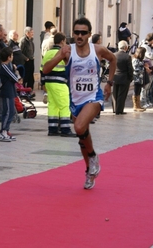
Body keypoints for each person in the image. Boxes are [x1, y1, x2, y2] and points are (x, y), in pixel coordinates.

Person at [43, 17, 117, 190]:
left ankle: (93, 157)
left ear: (89, 34)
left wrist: (109, 83)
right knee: (82, 136)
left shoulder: (98, 50)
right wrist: (60, 55)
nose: (80, 36)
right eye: (76, 32)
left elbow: (113, 59)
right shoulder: (67, 51)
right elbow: (46, 70)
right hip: (75, 100)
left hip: (94, 96)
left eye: (83, 33)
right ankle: (90, 170)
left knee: (79, 127)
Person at [42, 32, 76, 137]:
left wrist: (43, 84)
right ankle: (65, 129)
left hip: (48, 83)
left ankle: (52, 129)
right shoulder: (62, 52)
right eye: (65, 41)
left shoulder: (47, 53)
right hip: (59, 82)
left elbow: (41, 69)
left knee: (53, 106)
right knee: (64, 105)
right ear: (62, 41)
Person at [0, 47, 18, 142]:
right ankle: (3, 131)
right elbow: (15, 77)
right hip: (6, 91)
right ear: (9, 57)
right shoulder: (4, 66)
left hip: (11, 91)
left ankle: (7, 130)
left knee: (12, 112)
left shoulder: (9, 65)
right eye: (12, 55)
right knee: (7, 112)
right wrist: (16, 74)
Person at [112, 40, 133, 115]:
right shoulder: (127, 56)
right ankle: (119, 110)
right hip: (124, 77)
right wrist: (131, 77)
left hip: (115, 76)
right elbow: (130, 68)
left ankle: (114, 108)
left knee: (115, 93)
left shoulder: (114, 55)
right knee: (122, 94)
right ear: (126, 47)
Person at [140, 33, 153, 108]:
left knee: (149, 86)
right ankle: (143, 102)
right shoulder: (145, 46)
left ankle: (147, 100)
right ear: (152, 40)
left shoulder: (150, 46)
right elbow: (150, 55)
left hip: (152, 66)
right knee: (145, 86)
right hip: (147, 67)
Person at [132, 47, 148, 112]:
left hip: (140, 78)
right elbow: (136, 69)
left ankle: (138, 105)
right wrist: (144, 68)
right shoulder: (135, 60)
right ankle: (135, 106)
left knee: (138, 91)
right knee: (136, 91)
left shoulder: (139, 60)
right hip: (137, 78)